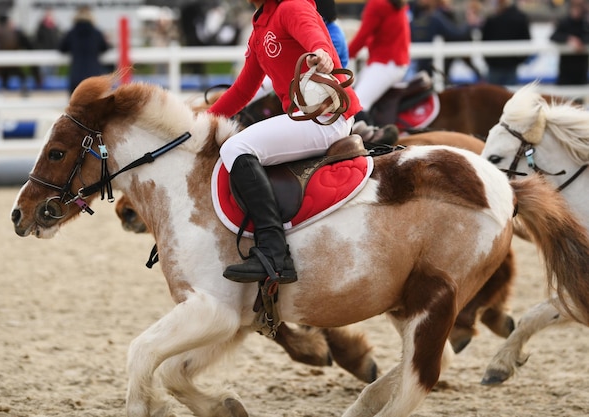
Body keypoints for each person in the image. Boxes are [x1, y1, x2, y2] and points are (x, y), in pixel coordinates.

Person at [206, 0, 363, 284]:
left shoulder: (292, 6)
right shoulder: (259, 29)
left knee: (236, 147)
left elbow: (316, 39)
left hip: (325, 117)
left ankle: (274, 251)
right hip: (306, 118)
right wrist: (200, 122)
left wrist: (323, 54)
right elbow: (242, 91)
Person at [348, 0, 410, 137]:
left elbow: (363, 36)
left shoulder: (377, 4)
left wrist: (343, 56)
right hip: (394, 62)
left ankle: (372, 142)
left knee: (357, 104)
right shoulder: (391, 3)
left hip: (385, 62)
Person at [410, 0, 481, 77]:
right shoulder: (434, 18)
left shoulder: (415, 18)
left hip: (420, 68)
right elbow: (457, 35)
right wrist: (469, 24)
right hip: (432, 68)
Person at [58, 6, 110, 95]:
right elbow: (105, 47)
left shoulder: (71, 33)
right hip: (94, 76)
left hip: (76, 76)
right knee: (95, 106)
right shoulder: (97, 33)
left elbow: (62, 49)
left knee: (76, 106)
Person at [480, 0, 531, 86]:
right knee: (508, 95)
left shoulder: (492, 18)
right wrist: (518, 60)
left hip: (501, 65)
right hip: (503, 65)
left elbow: (484, 40)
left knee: (496, 95)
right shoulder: (519, 17)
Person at [550, 0, 589, 86]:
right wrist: (569, 39)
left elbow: (586, 36)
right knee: (564, 95)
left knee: (578, 95)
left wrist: (581, 42)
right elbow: (553, 36)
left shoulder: (585, 23)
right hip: (566, 69)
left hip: (581, 69)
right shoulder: (564, 22)